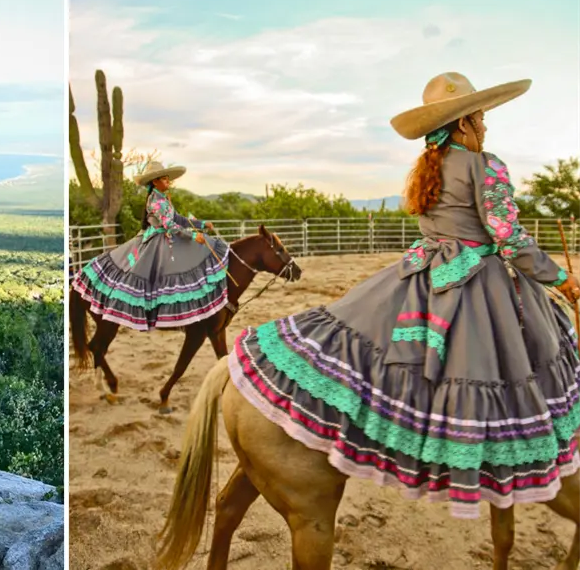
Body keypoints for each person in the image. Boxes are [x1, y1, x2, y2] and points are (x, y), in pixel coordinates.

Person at [228, 72, 580, 518]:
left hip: (426, 272)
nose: (486, 126)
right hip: (479, 281)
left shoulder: (427, 169)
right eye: (481, 117)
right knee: (515, 362)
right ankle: (483, 459)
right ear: (464, 124)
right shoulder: (486, 165)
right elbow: (508, 239)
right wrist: (560, 280)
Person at [72, 160, 230, 331]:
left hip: (167, 236)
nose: (168, 182)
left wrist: (201, 224)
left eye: (168, 179)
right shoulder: (156, 202)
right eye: (165, 179)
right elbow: (169, 225)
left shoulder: (164, 199)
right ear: (155, 182)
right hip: (157, 239)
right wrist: (192, 235)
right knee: (155, 272)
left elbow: (178, 219)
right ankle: (157, 313)